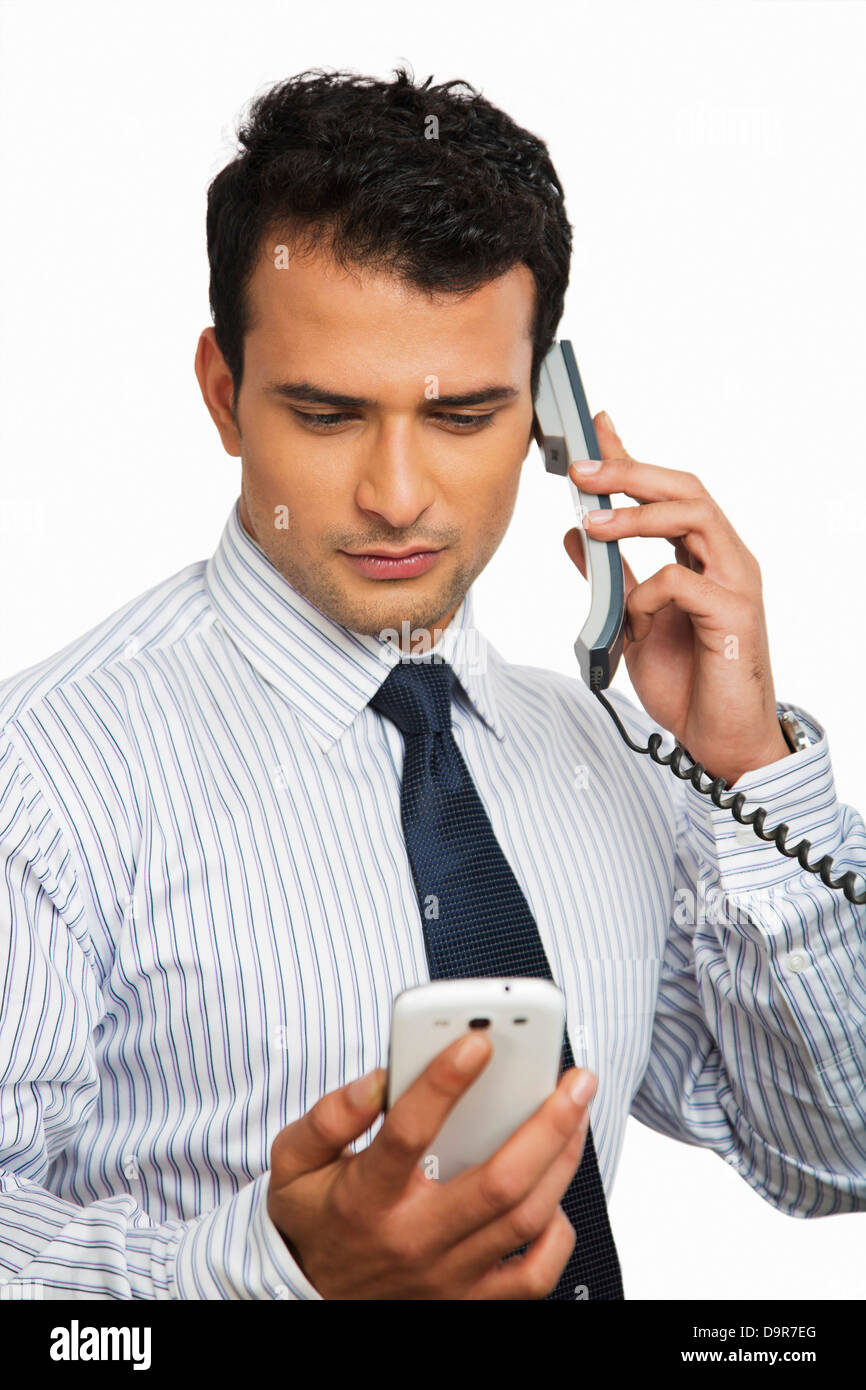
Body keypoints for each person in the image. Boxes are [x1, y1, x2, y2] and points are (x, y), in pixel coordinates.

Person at [1, 67, 864, 1303]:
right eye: (327, 412)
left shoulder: (612, 755)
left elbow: (831, 1149)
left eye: (462, 415)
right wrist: (279, 1276)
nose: (396, 496)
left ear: (547, 419)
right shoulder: (39, 776)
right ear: (222, 393)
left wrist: (753, 779)